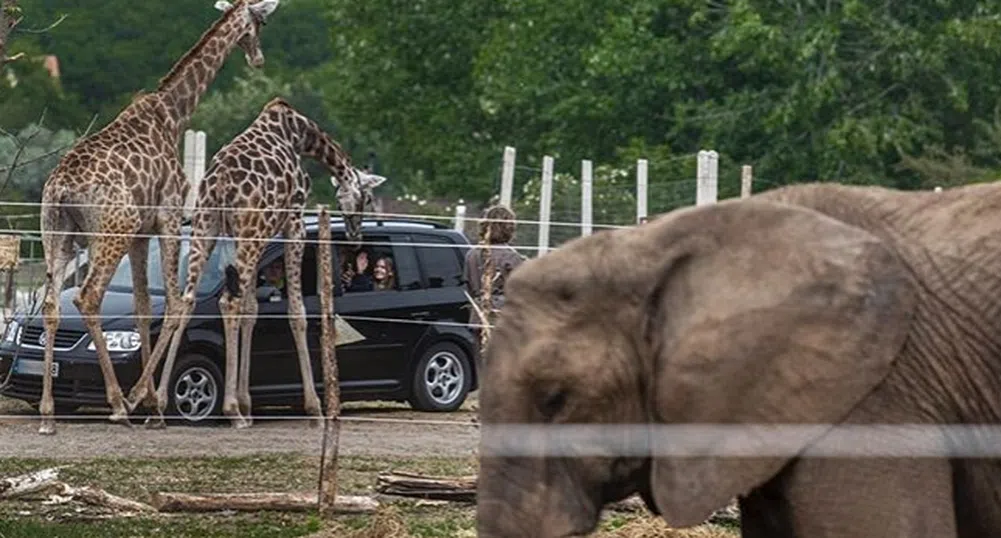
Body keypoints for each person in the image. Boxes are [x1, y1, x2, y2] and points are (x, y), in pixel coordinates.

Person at [463, 204, 525, 337]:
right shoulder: (511, 257)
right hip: (505, 320)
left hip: (478, 318)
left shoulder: (471, 255)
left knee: (480, 356)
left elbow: (468, 287)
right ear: (509, 228)